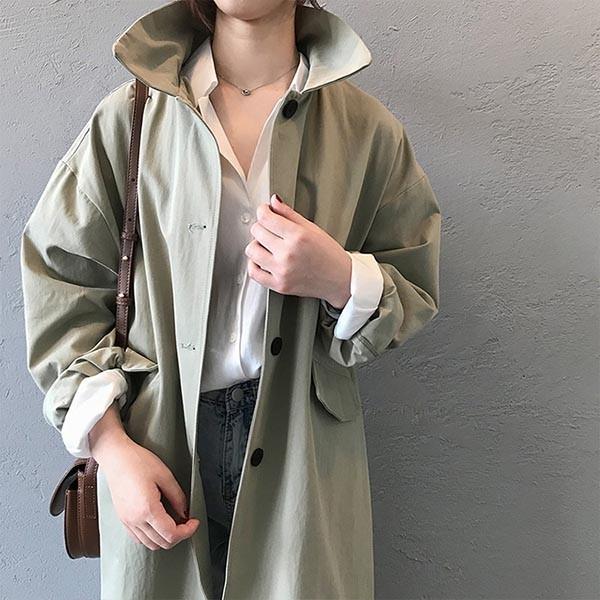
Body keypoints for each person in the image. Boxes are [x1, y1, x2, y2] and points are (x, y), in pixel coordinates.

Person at [20, 1, 442, 598]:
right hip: (158, 445)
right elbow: (59, 278)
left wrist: (339, 276)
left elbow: (412, 284)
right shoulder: (134, 117)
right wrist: (111, 448)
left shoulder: (365, 132)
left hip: (305, 454)